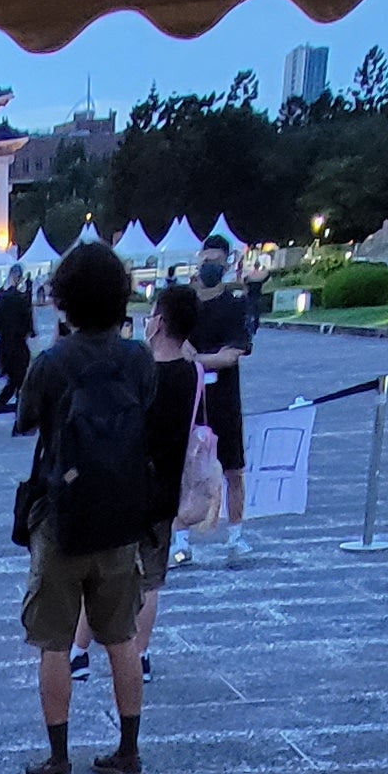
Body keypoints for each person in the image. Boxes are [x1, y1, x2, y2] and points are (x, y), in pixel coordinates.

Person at [12, 239, 163, 774]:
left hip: (62, 517)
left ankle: (58, 758)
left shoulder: (52, 364)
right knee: (121, 637)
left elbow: (29, 422)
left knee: (54, 640)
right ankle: (128, 751)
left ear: (65, 301)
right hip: (123, 516)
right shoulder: (138, 359)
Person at [137, 284, 210, 663]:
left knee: (108, 574)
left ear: (159, 323)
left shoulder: (139, 371)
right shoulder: (193, 373)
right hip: (166, 487)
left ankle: (83, 651)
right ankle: (141, 655)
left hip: (127, 486)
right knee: (151, 580)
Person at [190, 240, 256, 558]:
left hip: (225, 397)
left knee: (233, 468)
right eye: (206, 261)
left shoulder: (235, 305)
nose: (209, 267)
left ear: (226, 265)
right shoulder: (186, 305)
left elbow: (231, 355)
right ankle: (180, 541)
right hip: (190, 397)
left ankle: (235, 535)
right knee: (185, 467)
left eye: (216, 261)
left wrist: (197, 358)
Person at [0, 271, 37, 429]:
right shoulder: (22, 300)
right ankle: (17, 422)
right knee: (18, 385)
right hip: (18, 345)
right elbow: (29, 325)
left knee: (15, 384)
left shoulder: (1, 300)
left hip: (4, 346)